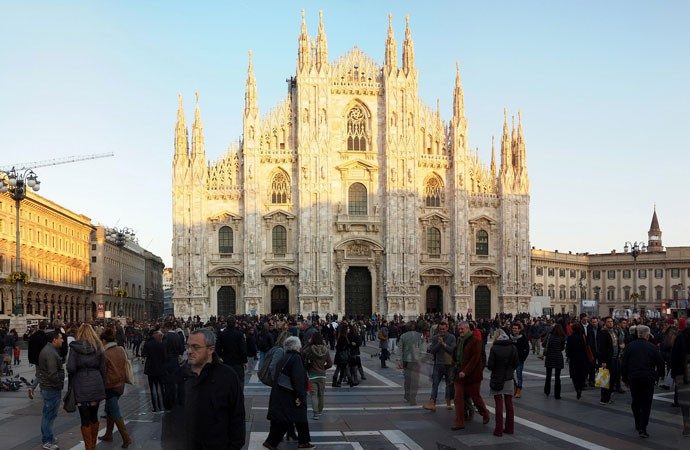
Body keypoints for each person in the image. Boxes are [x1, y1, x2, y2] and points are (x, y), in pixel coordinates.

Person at [182, 328, 245, 449]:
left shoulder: (227, 376)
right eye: (188, 346)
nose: (189, 351)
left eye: (196, 347)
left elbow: (237, 416)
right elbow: (171, 417)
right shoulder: (179, 375)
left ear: (211, 349)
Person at [264, 336, 314, 450]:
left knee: (299, 417)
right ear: (297, 346)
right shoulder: (295, 358)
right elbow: (298, 379)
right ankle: (271, 442)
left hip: (282, 392)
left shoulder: (285, 357)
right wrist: (300, 395)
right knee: (286, 420)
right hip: (290, 394)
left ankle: (304, 441)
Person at [67, 323, 106, 450]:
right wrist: (103, 384)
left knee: (84, 418)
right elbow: (103, 368)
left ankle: (88, 447)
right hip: (96, 382)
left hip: (80, 384)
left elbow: (71, 368)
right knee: (94, 416)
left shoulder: (75, 348)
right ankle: (93, 446)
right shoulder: (98, 346)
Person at [621, 325, 665, 438]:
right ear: (647, 335)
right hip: (648, 378)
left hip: (634, 378)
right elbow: (660, 363)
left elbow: (624, 363)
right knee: (646, 403)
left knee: (636, 401)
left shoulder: (630, 346)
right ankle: (643, 427)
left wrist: (625, 378)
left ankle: (637, 422)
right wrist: (659, 375)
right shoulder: (652, 347)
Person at [452, 321, 490, 430]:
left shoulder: (476, 341)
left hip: (472, 375)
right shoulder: (459, 340)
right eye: (459, 329)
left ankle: (485, 413)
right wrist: (454, 365)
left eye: (462, 329)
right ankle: (459, 422)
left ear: (467, 329)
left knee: (475, 397)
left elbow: (475, 359)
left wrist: (466, 371)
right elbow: (456, 355)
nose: (460, 331)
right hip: (459, 374)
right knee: (458, 398)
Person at [98, 327, 132, 447]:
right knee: (109, 410)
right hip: (120, 384)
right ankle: (108, 434)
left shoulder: (105, 354)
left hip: (110, 386)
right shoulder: (120, 349)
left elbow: (102, 371)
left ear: (104, 341)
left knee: (115, 412)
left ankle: (126, 438)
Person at [487, 329, 518, 437]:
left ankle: (498, 430)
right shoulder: (513, 347)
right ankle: (510, 428)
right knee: (509, 404)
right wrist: (509, 370)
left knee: (498, 404)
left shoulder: (494, 348)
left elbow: (490, 365)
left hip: (497, 379)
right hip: (509, 378)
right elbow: (516, 363)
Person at [37, 331, 65, 450]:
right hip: (51, 388)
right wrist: (60, 383)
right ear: (54, 340)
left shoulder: (49, 350)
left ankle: (49, 436)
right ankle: (47, 440)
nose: (62, 340)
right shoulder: (50, 353)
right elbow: (53, 374)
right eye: (60, 338)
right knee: (49, 415)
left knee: (49, 415)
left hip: (48, 387)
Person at [424, 322, 456, 411]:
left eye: (443, 329)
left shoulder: (452, 337)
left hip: (449, 365)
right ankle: (432, 402)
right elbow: (432, 351)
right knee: (435, 384)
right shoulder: (435, 338)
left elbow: (452, 350)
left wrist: (444, 344)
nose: (442, 331)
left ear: (447, 328)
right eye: (440, 329)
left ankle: (448, 403)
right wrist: (439, 343)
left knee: (449, 384)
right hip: (438, 364)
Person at [302, 333, 332, 420]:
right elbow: (330, 364)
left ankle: (315, 414)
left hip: (312, 375)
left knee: (313, 395)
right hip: (322, 375)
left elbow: (302, 352)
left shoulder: (310, 349)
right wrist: (323, 368)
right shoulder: (325, 350)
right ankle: (320, 411)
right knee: (321, 394)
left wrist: (308, 343)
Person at [669, 319, 690, 436]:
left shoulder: (680, 337)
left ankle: (687, 428)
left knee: (685, 402)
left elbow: (674, 357)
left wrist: (674, 375)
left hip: (682, 373)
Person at [216, 315, 248, 390]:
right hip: (238, 363)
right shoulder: (239, 334)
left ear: (227, 323)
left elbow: (217, 349)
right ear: (235, 323)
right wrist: (245, 361)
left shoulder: (222, 334)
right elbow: (243, 349)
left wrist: (220, 357)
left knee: (226, 383)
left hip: (226, 362)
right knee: (239, 382)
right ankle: (239, 398)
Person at [142, 330, 167, 412]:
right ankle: (162, 405)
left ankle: (155, 407)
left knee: (153, 388)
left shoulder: (148, 344)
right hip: (160, 369)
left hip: (151, 369)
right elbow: (164, 357)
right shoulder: (161, 344)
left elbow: (144, 354)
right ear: (157, 336)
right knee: (161, 388)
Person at [399, 320, 423, 405]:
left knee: (407, 379)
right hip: (416, 361)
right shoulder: (420, 336)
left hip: (406, 360)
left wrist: (399, 360)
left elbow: (400, 349)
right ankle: (413, 398)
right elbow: (422, 348)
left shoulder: (403, 336)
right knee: (415, 380)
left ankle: (407, 395)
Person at [598, 316, 620, 405]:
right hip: (606, 360)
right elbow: (601, 348)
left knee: (612, 379)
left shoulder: (613, 331)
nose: (610, 323)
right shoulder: (603, 333)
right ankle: (604, 399)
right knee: (604, 380)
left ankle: (608, 397)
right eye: (608, 322)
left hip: (614, 358)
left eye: (611, 321)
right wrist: (603, 361)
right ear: (605, 323)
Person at [566, 322, 589, 399]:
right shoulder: (583, 337)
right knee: (582, 374)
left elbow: (568, 349)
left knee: (574, 376)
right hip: (583, 358)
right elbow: (587, 347)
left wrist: (568, 356)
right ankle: (581, 386)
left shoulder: (570, 337)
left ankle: (577, 389)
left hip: (573, 359)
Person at [28, 321, 49, 399]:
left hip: (35, 359)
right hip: (43, 359)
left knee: (39, 374)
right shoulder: (45, 336)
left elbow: (29, 349)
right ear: (45, 327)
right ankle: (33, 388)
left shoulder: (33, 336)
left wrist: (30, 359)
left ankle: (39, 390)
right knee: (42, 375)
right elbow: (46, 348)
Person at [510, 322, 529, 399]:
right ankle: (514, 387)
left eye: (516, 328)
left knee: (519, 375)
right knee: (510, 375)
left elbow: (527, 349)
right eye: (513, 328)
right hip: (511, 359)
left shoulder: (523, 337)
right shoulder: (510, 337)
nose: (514, 330)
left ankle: (519, 390)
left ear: (519, 329)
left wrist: (523, 358)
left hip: (519, 360)